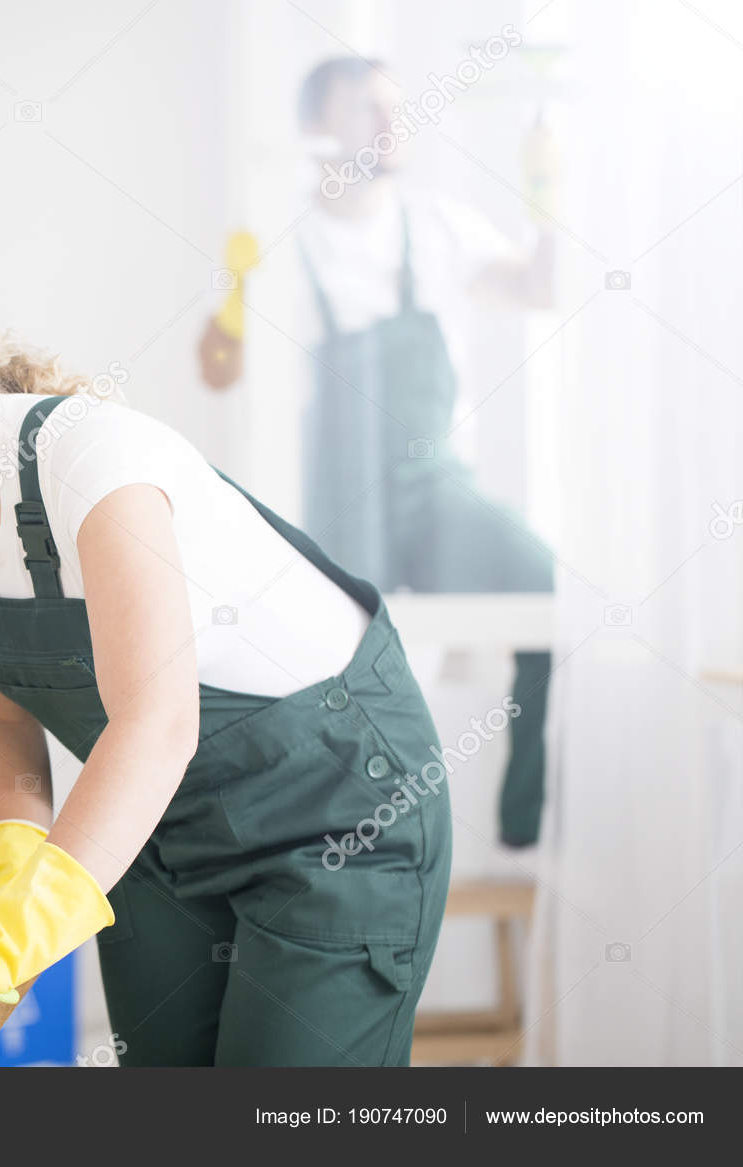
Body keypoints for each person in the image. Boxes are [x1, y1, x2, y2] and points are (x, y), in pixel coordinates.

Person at [0, 232, 452, 1065]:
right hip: (157, 829)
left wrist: (19, 935)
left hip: (338, 813)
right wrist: (9, 893)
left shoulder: (92, 462)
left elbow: (155, 722)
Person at [199, 58, 556, 848]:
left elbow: (540, 289)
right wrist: (235, 292)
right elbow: (217, 372)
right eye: (367, 108)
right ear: (317, 129)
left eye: (397, 108)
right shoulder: (283, 238)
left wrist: (547, 197)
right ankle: (329, 843)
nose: (392, 123)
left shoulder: (436, 226)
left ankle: (522, 814)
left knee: (548, 587)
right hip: (334, 503)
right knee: (329, 684)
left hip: (432, 489)